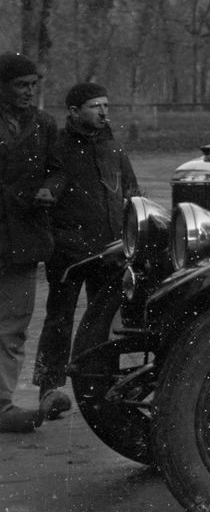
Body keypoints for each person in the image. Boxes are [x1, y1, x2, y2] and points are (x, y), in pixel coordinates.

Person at [33, 82, 139, 420]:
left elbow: (132, 195)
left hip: (109, 252)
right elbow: (46, 194)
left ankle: (103, 388)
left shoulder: (114, 148)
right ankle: (49, 389)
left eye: (106, 105)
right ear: (74, 112)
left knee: (107, 324)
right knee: (60, 319)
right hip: (67, 254)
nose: (104, 111)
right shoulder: (58, 148)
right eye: (95, 106)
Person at [0, 53, 60, 433]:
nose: (28, 92)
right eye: (21, 85)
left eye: (32, 86)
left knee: (13, 326)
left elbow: (59, 171)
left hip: (23, 239)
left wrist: (50, 189)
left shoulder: (44, 125)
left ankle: (2, 406)